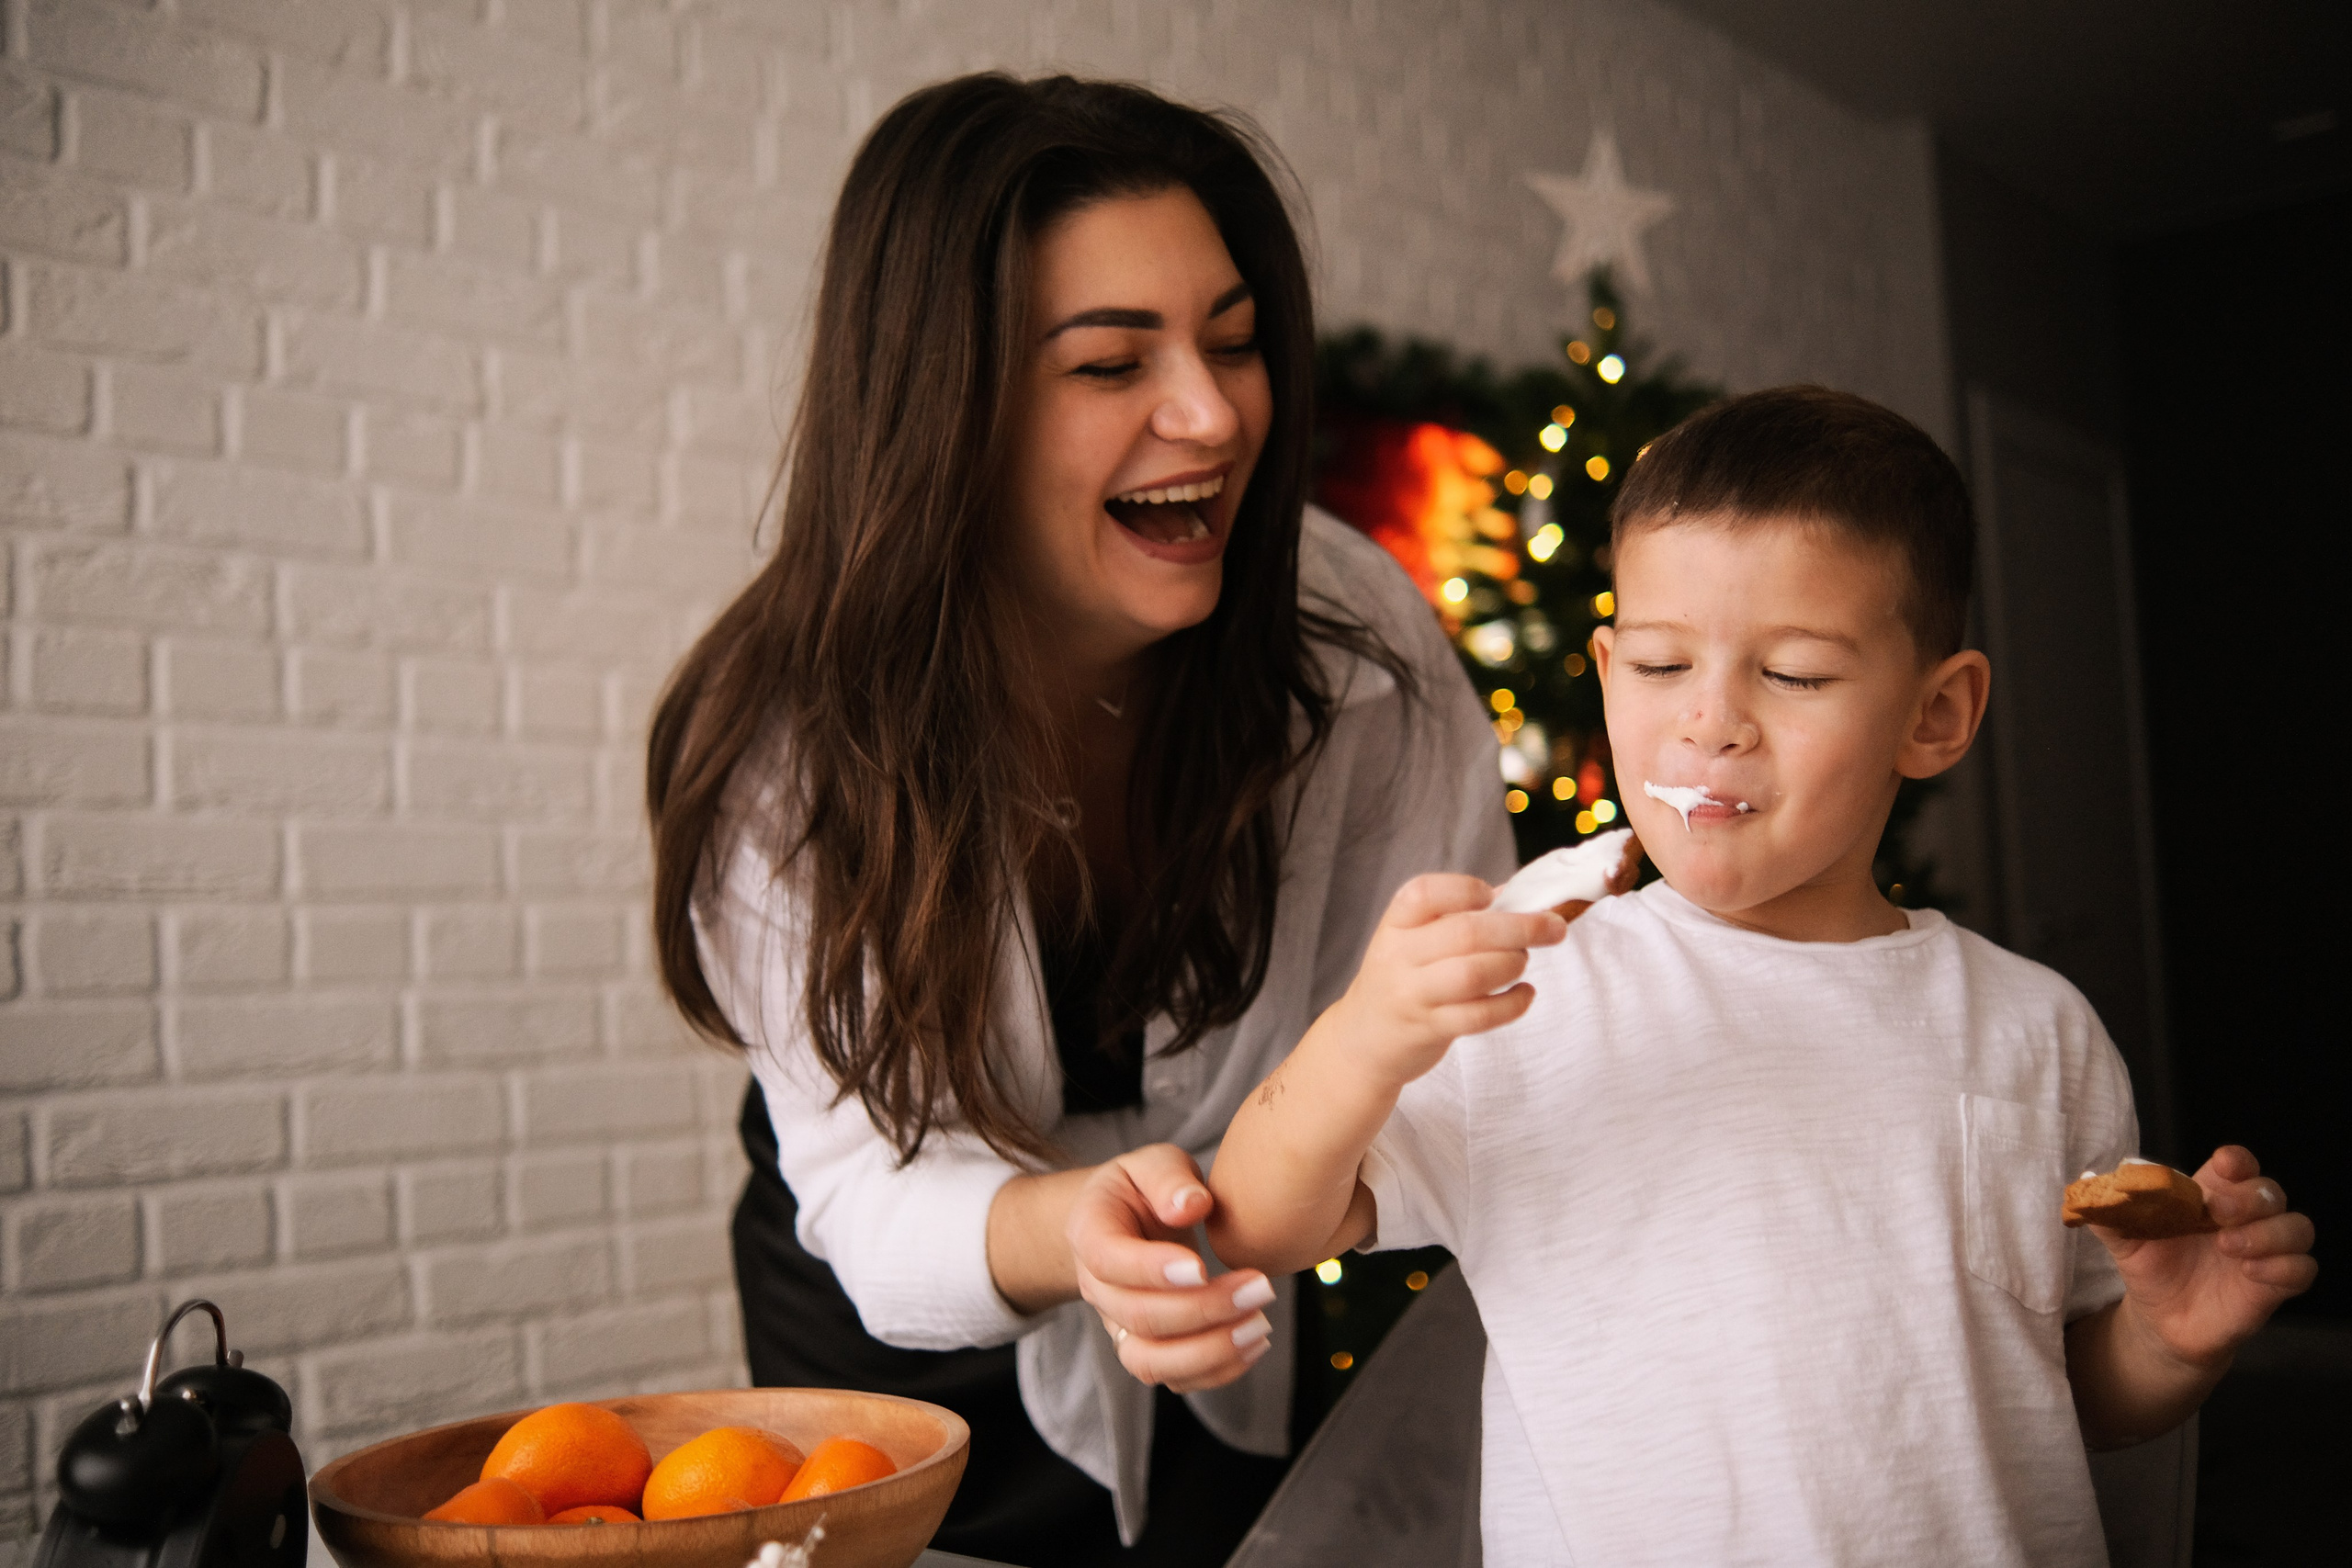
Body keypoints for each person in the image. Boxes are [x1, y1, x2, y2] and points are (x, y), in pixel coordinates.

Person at [1206, 387, 2320, 1564]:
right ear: (1604, 668)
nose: (1708, 721)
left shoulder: (2036, 1031)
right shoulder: (1544, 990)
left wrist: (2172, 1343)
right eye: (1658, 661)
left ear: (1935, 715)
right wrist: (1367, 1034)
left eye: (1790, 674)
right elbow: (1259, 1221)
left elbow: (2062, 1393)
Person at [643, 73, 1513, 1565]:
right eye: (1112, 363)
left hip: (1235, 1289)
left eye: (1235, 343)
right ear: (945, 408)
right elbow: (867, 1188)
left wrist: (1266, 1199)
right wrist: (1085, 1232)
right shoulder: (787, 744)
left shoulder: (1354, 634)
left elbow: (1473, 1049)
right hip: (907, 1310)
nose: (1214, 412)